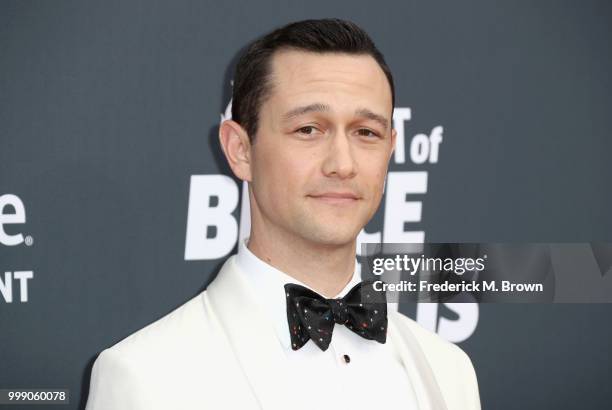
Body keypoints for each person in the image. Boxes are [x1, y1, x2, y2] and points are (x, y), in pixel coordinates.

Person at [85, 18, 480, 410]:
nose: (342, 165)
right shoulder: (145, 378)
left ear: (390, 149)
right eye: (308, 129)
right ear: (240, 150)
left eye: (366, 132)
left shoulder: (449, 371)